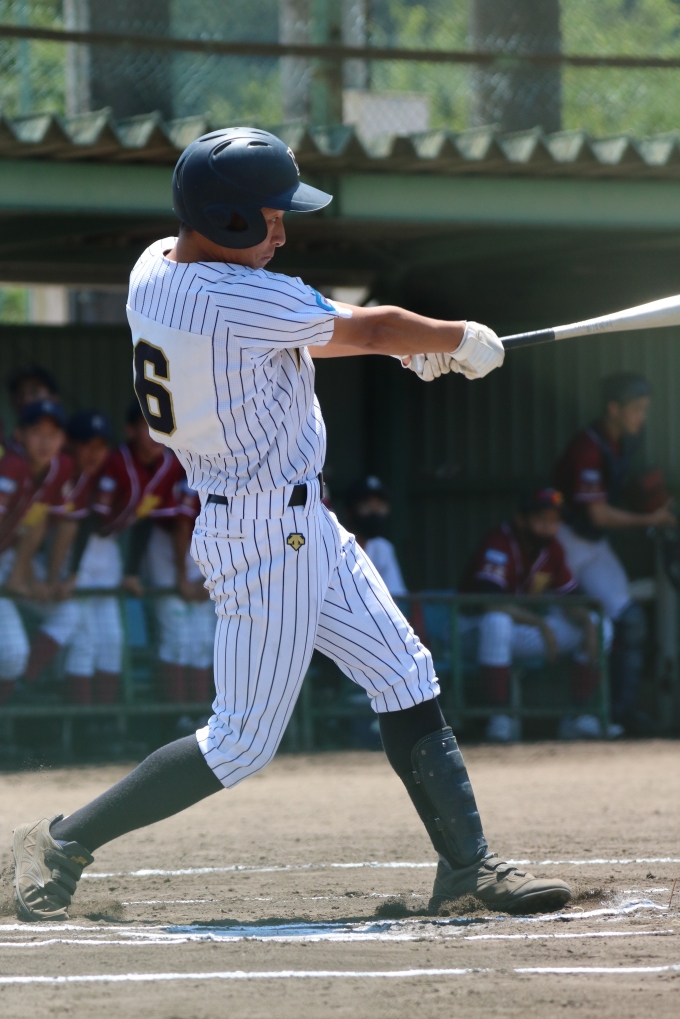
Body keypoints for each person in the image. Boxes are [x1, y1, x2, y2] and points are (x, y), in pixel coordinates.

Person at [12, 127, 571, 922]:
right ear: (226, 219)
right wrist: (456, 340)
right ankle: (62, 842)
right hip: (264, 536)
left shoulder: (156, 266)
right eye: (270, 217)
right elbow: (367, 326)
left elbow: (314, 338)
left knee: (405, 673)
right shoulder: (232, 296)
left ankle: (466, 866)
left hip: (299, 519)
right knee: (240, 741)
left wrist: (410, 350)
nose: (281, 231)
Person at [554, 372, 676, 733]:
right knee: (579, 624)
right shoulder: (588, 447)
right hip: (563, 539)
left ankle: (619, 713)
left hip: (593, 544)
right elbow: (597, 514)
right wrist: (652, 518)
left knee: (629, 620)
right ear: (613, 409)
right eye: (636, 409)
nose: (642, 416)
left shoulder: (625, 441)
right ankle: (574, 714)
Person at [460, 488, 612, 743]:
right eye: (542, 519)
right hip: (469, 634)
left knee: (601, 625)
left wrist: (587, 622)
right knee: (497, 622)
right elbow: (490, 604)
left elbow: (571, 599)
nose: (549, 527)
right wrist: (540, 624)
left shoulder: (553, 550)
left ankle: (579, 716)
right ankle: (499, 717)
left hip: (519, 631)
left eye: (554, 520)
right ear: (521, 520)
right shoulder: (499, 542)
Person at [24, 411, 123, 705]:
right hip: (19, 554)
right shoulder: (61, 466)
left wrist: (59, 577)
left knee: (100, 637)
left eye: (100, 446)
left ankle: (96, 720)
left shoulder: (84, 475)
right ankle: (23, 681)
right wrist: (40, 576)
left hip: (39, 560)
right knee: (80, 629)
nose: (94, 454)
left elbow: (71, 526)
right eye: (86, 445)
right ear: (70, 444)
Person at [0, 399, 71, 701]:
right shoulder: (12, 465)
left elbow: (38, 524)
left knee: (68, 611)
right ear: (20, 435)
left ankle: (19, 695)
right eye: (37, 433)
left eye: (53, 434)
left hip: (6, 558)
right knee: (13, 651)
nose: (45, 442)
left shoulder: (57, 468)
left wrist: (25, 575)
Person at [140, 473, 217, 704]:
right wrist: (182, 577)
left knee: (203, 640)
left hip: (205, 550)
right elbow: (181, 525)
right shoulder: (196, 477)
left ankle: (197, 712)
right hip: (166, 543)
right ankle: (174, 713)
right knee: (177, 638)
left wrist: (211, 578)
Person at [345, 475, 407, 597]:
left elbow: (395, 597)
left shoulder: (383, 548)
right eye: (367, 505)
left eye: (379, 506)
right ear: (348, 511)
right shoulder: (334, 547)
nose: (374, 512)